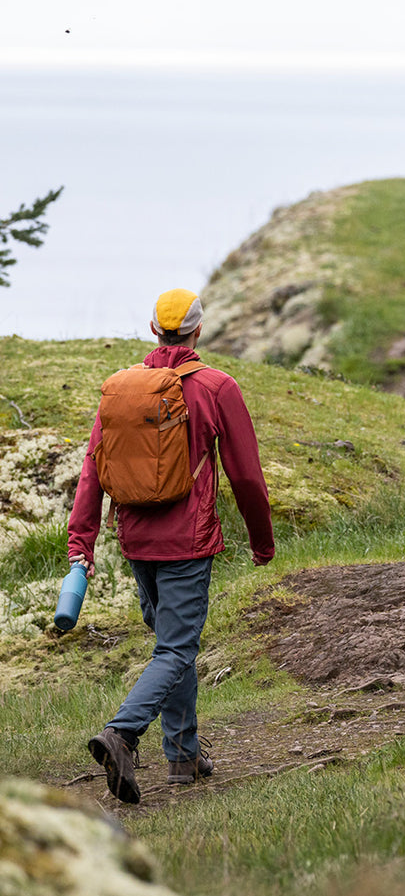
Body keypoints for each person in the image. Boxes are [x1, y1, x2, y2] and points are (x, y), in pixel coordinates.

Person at [67, 288, 275, 803]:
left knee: (170, 647)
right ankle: (122, 733)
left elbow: (92, 471)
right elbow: (246, 476)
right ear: (198, 332)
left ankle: (183, 755)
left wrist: (82, 542)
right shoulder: (216, 386)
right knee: (177, 647)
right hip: (188, 540)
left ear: (153, 329)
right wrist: (262, 542)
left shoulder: (121, 390)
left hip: (136, 541)